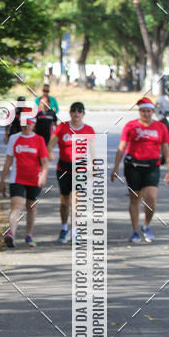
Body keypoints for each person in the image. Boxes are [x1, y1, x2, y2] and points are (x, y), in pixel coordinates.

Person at [110, 97, 169, 243]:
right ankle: (135, 230)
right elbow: (122, 147)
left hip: (152, 166)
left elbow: (166, 149)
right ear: (139, 112)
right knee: (135, 198)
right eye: (143, 111)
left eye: (149, 111)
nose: (146, 114)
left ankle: (146, 226)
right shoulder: (131, 126)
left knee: (151, 198)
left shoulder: (160, 127)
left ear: (153, 111)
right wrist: (115, 167)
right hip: (133, 166)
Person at [47, 102, 95, 243]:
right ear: (70, 113)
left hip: (80, 169)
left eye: (79, 111)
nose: (76, 113)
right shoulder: (62, 127)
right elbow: (50, 145)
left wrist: (94, 167)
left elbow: (93, 150)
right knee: (64, 202)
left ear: (83, 114)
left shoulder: (88, 130)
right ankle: (64, 228)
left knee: (77, 201)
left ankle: (76, 232)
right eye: (74, 110)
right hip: (64, 169)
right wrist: (50, 153)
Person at [0, 113, 49, 248]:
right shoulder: (14, 138)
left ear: (34, 124)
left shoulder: (39, 139)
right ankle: (11, 234)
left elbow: (44, 161)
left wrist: (43, 175)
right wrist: (2, 180)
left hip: (34, 178)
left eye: (29, 124)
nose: (26, 126)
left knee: (31, 207)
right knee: (16, 205)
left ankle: (29, 235)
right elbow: (8, 160)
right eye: (24, 124)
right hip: (17, 177)